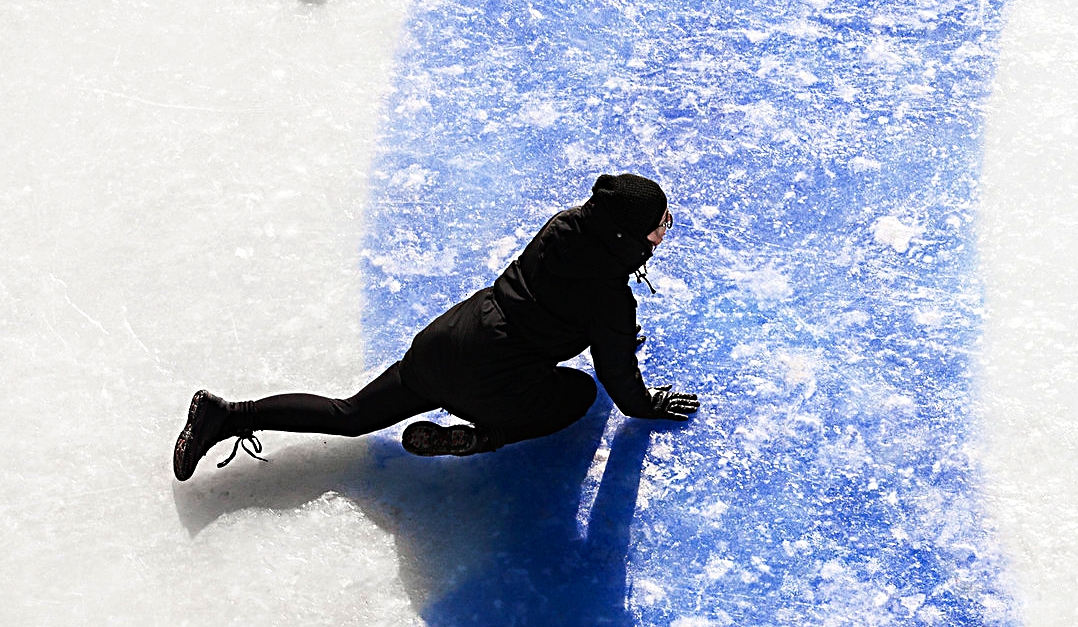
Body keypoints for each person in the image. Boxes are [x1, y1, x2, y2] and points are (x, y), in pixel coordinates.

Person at [173, 173, 701, 480]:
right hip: (498, 380)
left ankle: (228, 414)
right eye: (659, 225)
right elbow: (618, 381)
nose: (663, 231)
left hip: (451, 339)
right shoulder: (610, 300)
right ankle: (483, 436)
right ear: (625, 235)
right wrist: (647, 404)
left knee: (352, 414)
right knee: (580, 394)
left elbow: (569, 285)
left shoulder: (564, 226)